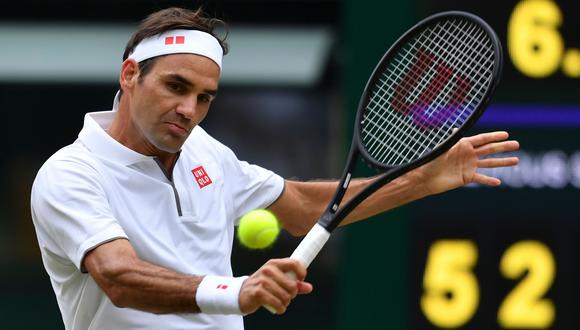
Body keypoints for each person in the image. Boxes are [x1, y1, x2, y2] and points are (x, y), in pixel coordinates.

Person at [30, 6, 520, 330]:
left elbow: (306, 207)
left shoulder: (207, 153)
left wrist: (425, 179)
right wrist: (239, 292)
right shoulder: (70, 174)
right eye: (176, 87)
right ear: (130, 74)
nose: (190, 109)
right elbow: (119, 277)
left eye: (204, 98)